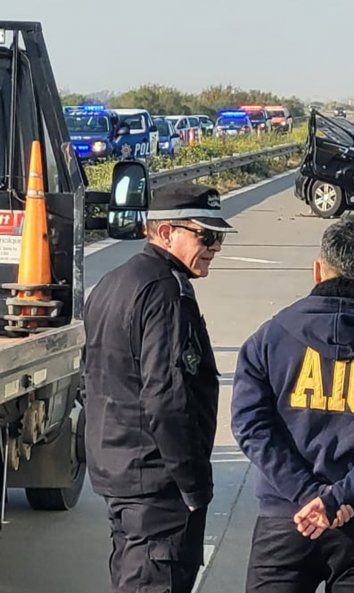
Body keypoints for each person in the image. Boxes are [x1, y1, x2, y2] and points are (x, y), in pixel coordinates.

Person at [232, 215, 354, 593]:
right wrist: (337, 498)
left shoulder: (270, 337)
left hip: (286, 516)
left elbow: (251, 426)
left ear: (318, 270)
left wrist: (309, 496)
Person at [83, 182, 235, 593]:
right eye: (206, 235)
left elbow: (94, 378)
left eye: (218, 237)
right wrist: (193, 486)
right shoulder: (167, 293)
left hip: (122, 472)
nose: (215, 247)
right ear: (165, 232)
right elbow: (168, 398)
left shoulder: (114, 282)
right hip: (156, 486)